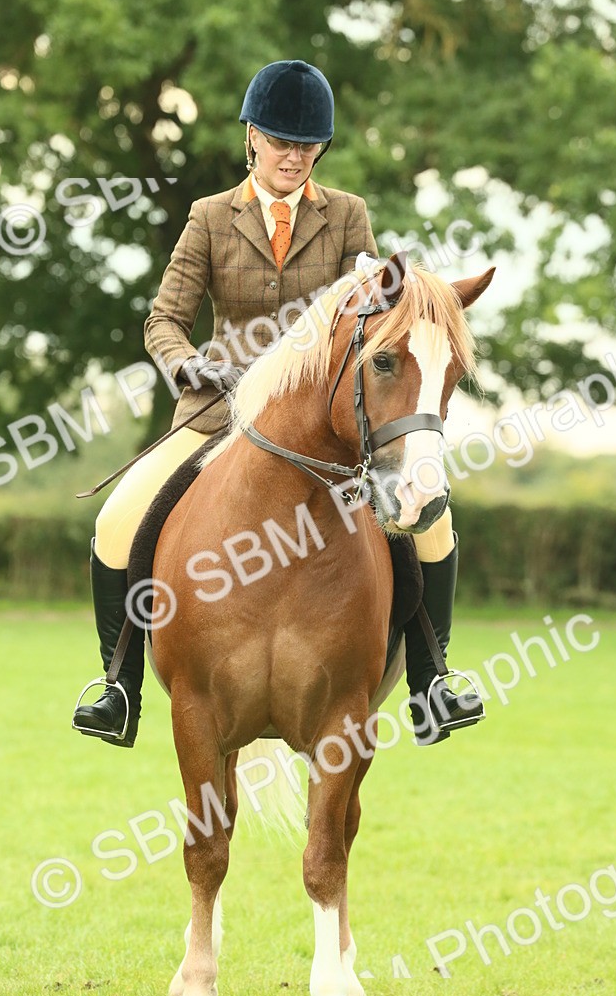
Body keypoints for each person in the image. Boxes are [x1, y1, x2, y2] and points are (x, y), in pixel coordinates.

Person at [72, 59, 483, 749]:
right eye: (279, 140)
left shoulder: (348, 214)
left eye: (306, 144)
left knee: (430, 525)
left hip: (323, 428)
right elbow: (163, 321)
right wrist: (188, 363)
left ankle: (431, 683)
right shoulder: (209, 219)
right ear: (251, 138)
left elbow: (378, 309)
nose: (293, 155)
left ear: (319, 148)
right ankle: (120, 689)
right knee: (117, 523)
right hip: (217, 413)